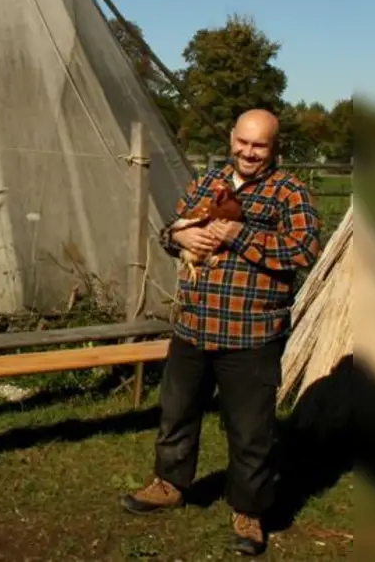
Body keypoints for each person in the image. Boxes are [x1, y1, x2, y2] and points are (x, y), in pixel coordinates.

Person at [120, 109, 322, 558]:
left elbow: (304, 249)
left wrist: (239, 235)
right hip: (193, 323)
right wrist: (179, 236)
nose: (248, 152)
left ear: (274, 147)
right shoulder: (206, 182)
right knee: (177, 412)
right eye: (243, 142)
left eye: (259, 145)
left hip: (250, 333)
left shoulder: (289, 193)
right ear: (232, 138)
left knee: (250, 430)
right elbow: (168, 229)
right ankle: (170, 483)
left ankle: (249, 511)